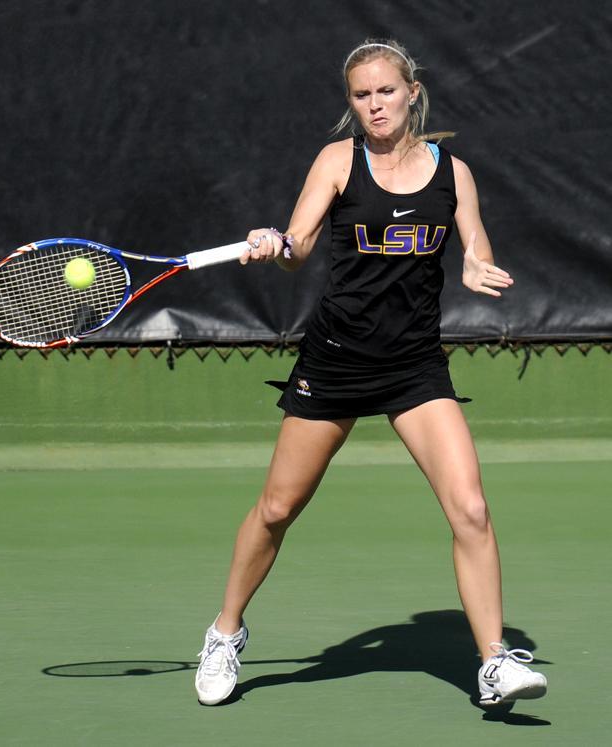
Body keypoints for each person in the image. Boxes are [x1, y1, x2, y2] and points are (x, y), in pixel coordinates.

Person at [194, 38, 547, 709]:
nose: (375, 106)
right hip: (336, 360)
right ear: (351, 104)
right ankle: (225, 630)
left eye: (386, 91)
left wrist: (474, 262)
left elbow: (473, 240)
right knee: (276, 509)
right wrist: (277, 244)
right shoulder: (337, 161)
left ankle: (494, 661)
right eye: (362, 96)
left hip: (414, 364)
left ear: (412, 91)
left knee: (470, 507)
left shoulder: (455, 173)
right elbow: (298, 248)